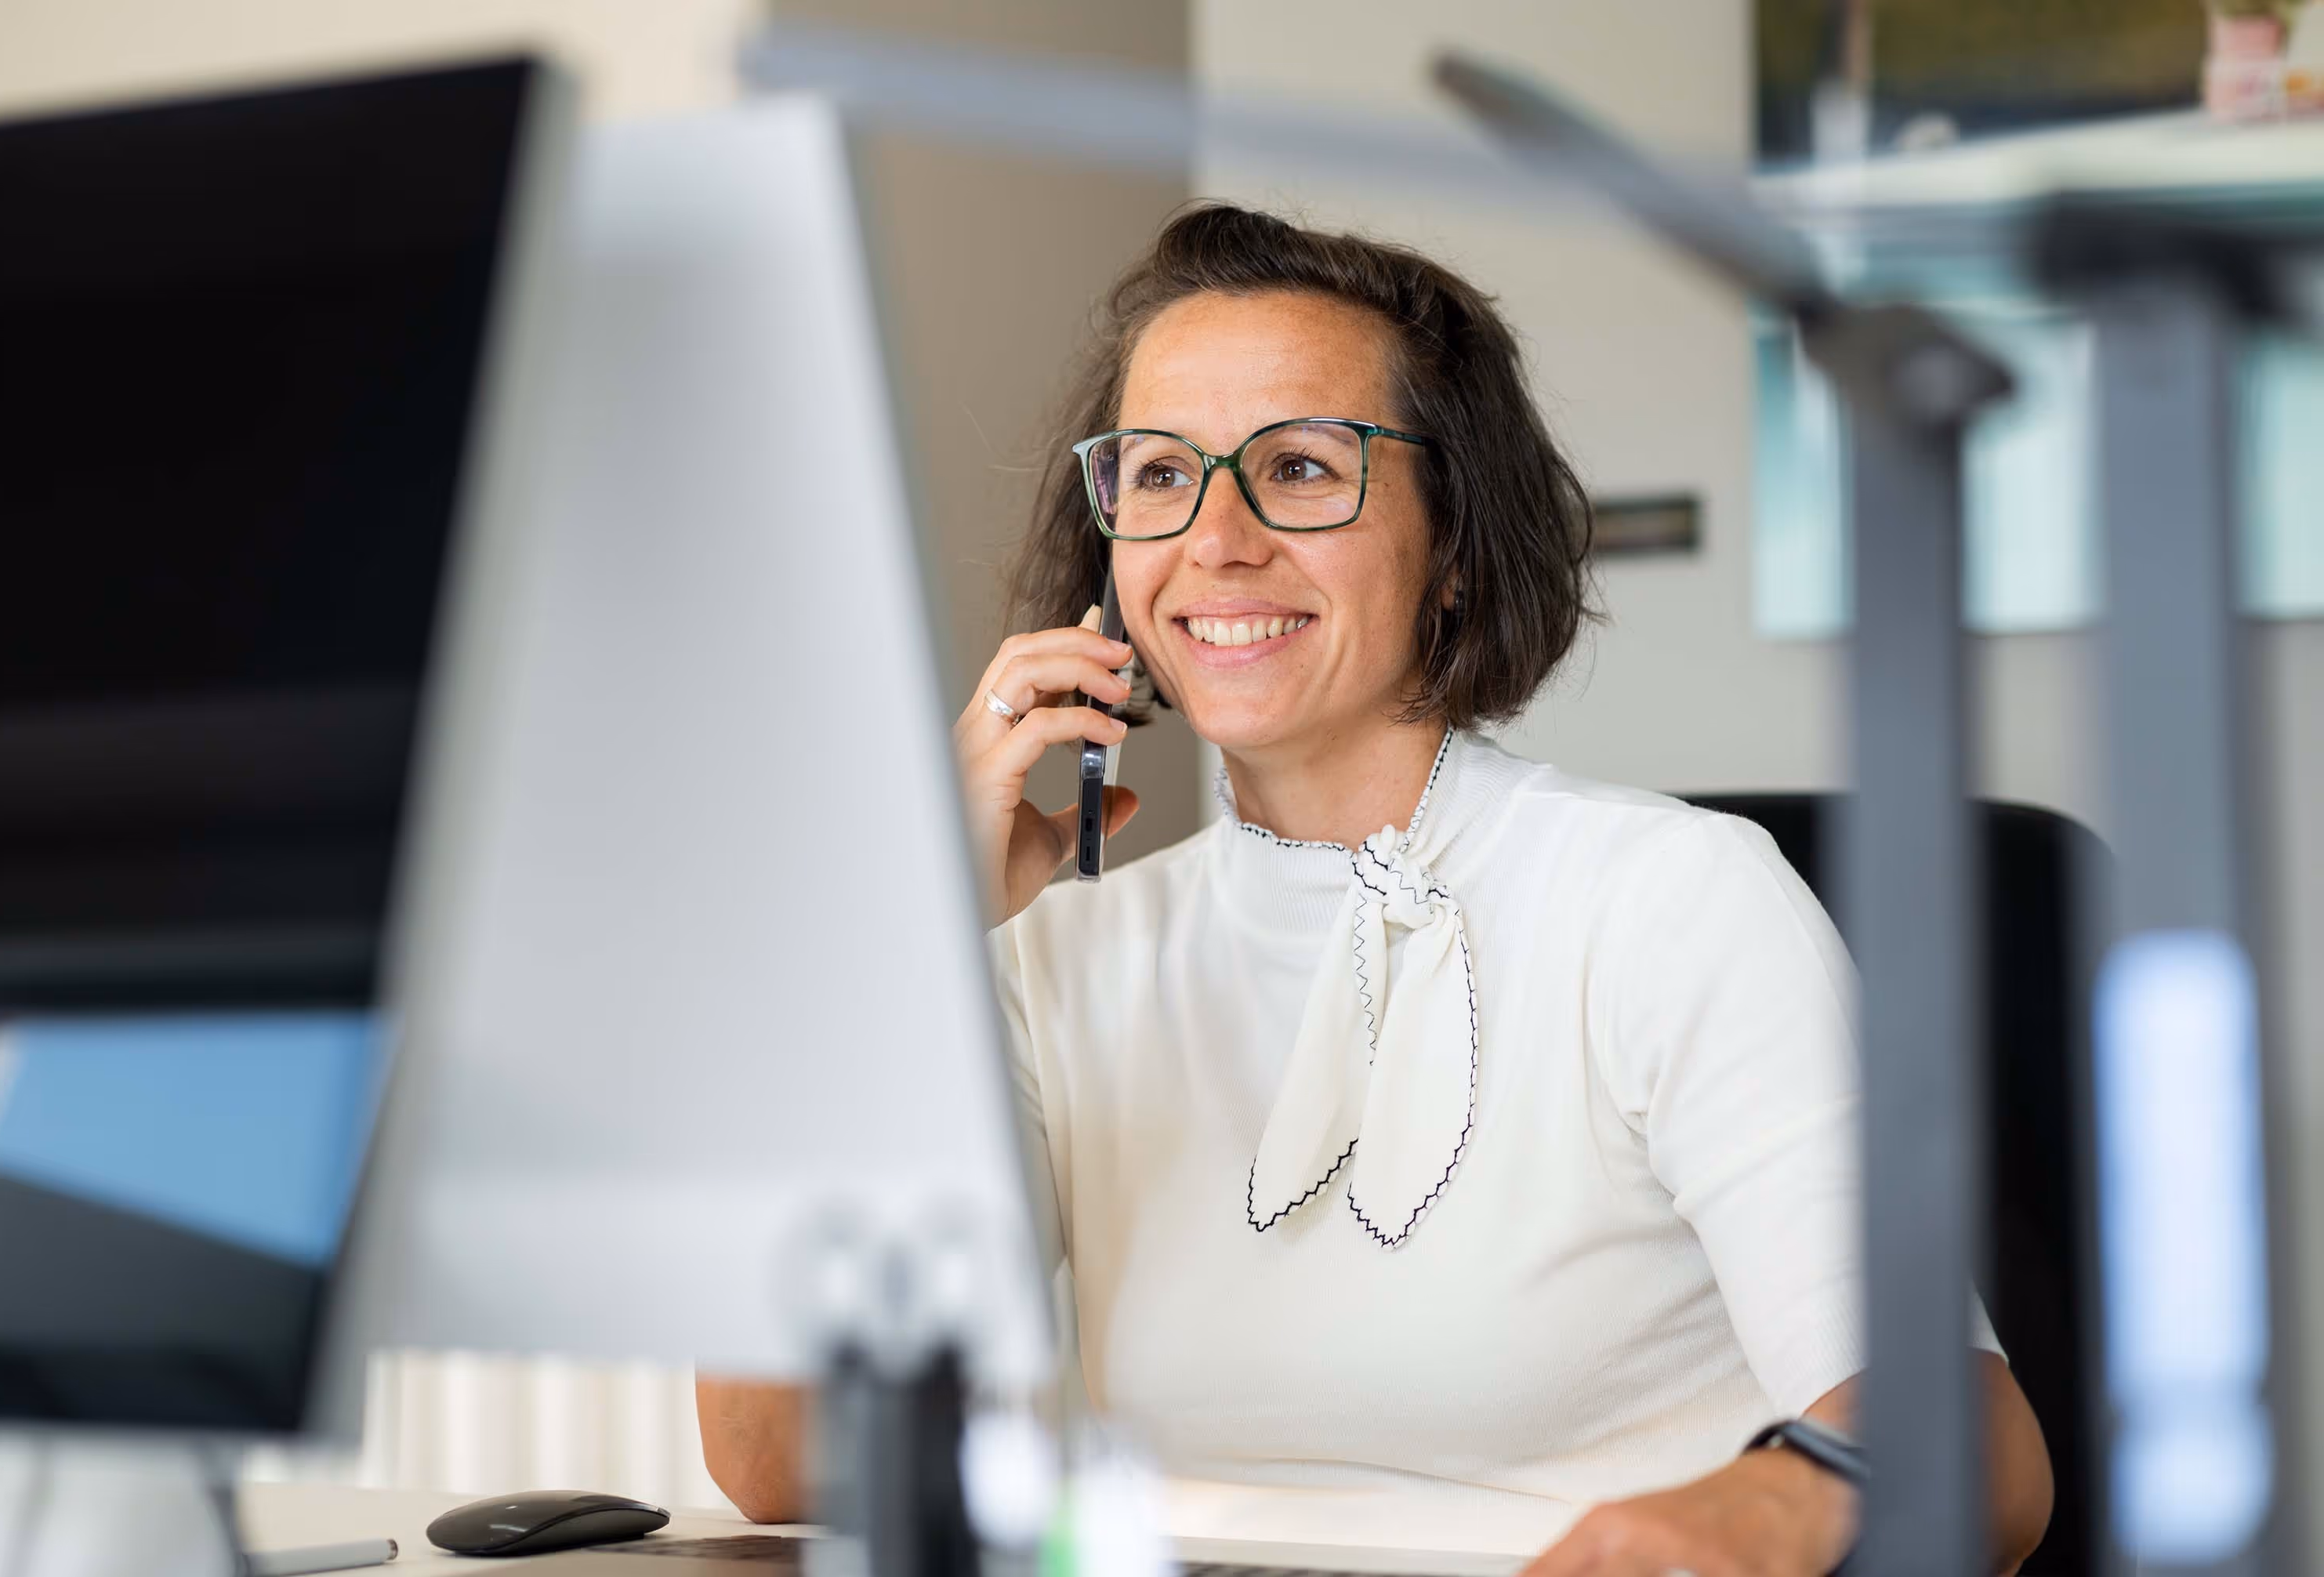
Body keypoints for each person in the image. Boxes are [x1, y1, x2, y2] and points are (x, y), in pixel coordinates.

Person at [700, 203, 2053, 1573]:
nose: (1214, 539)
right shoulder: (1060, 951)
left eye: (1298, 468)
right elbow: (775, 1458)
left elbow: (1983, 1465)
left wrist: (1766, 1512)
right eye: (1160, 475)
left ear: (1455, 545)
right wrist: (897, 943)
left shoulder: (1672, 899)